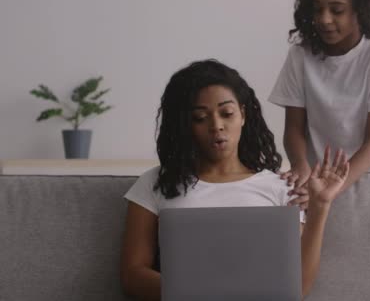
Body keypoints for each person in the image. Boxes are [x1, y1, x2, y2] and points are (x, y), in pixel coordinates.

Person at [120, 60, 349, 300]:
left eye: (227, 113)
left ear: (243, 115)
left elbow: (297, 289)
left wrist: (320, 206)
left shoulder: (281, 189)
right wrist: (203, 293)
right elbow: (132, 277)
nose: (216, 126)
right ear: (185, 125)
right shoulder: (155, 182)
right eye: (200, 117)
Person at [269, 0, 370, 206]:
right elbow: (294, 130)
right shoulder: (300, 56)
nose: (324, 19)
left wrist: (331, 188)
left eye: (337, 10)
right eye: (317, 8)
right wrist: (301, 166)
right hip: (315, 183)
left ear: (360, 9)